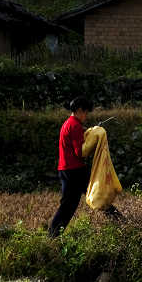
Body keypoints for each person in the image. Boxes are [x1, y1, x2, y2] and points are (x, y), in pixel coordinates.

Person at [48, 96, 93, 238]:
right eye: (86, 112)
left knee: (95, 195)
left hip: (69, 169)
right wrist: (93, 143)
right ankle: (52, 236)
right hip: (73, 171)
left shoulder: (69, 123)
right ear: (79, 111)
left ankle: (120, 221)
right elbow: (79, 152)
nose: (86, 116)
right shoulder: (75, 126)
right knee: (69, 204)